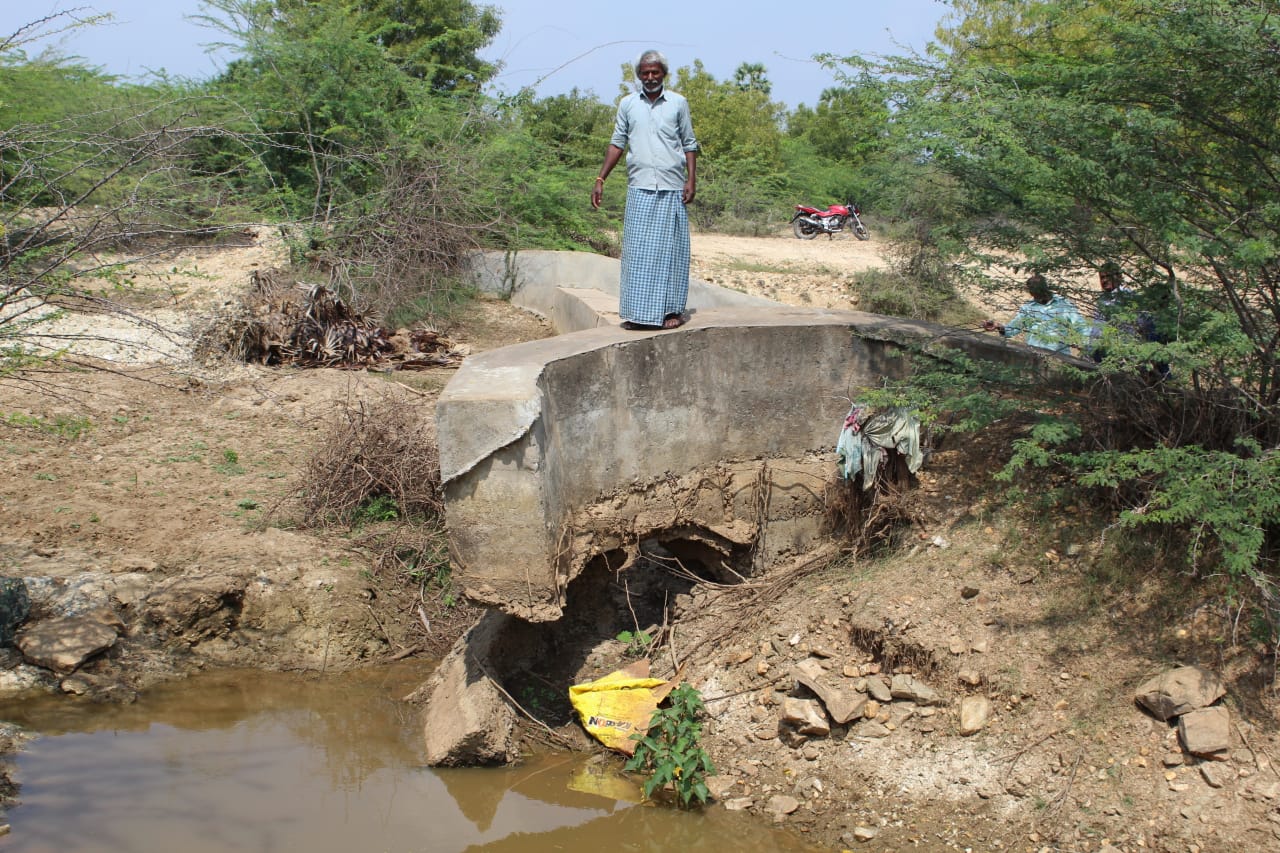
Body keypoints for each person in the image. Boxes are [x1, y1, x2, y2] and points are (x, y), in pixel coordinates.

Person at [591, 50, 699, 331]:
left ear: (664, 74)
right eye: (644, 73)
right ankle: (637, 314)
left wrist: (691, 180)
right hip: (639, 188)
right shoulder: (628, 104)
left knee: (669, 253)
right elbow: (617, 143)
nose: (650, 78)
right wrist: (601, 178)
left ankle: (669, 312)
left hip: (671, 187)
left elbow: (689, 144)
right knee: (638, 254)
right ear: (638, 76)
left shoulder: (678, 103)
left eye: (655, 73)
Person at [982, 273, 1088, 355]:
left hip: (1059, 357)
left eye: (1038, 292)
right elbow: (1012, 329)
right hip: (1033, 355)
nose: (1035, 296)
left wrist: (1085, 345)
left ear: (1045, 289)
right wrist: (998, 327)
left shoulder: (1064, 305)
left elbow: (1082, 327)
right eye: (1032, 293)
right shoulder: (1028, 308)